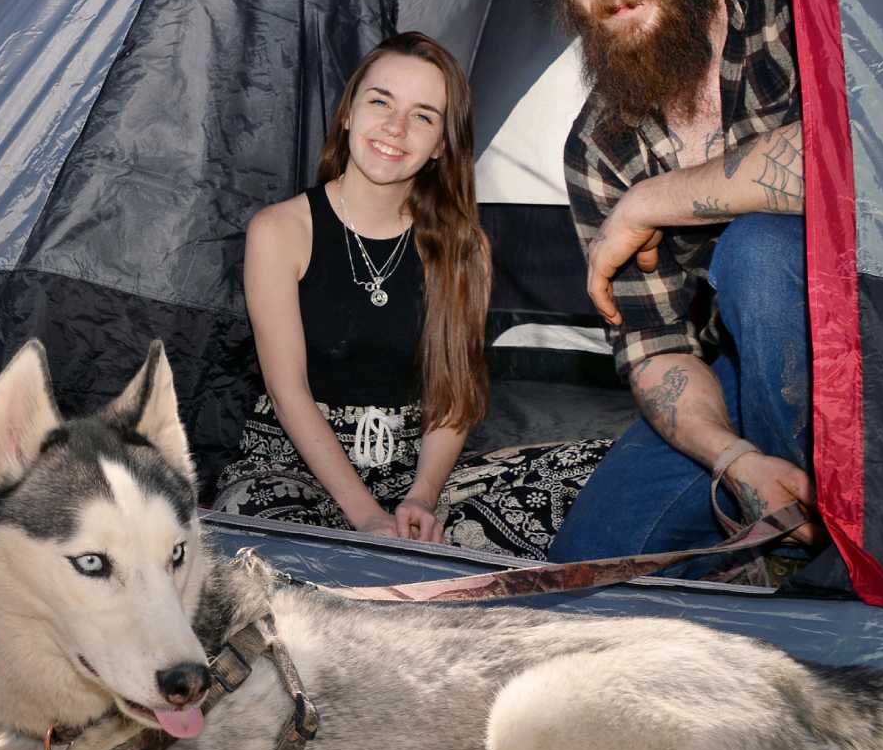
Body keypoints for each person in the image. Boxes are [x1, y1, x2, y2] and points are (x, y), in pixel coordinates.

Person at [538, 0, 819, 570]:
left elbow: (861, 164)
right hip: (748, 368)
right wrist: (733, 458)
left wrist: (650, 202)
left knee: (760, 253)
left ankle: (822, 563)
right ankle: (774, 492)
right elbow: (656, 348)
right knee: (585, 572)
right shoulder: (600, 146)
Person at [213, 33, 604, 555]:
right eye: (381, 102)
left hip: (413, 470)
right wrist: (367, 518)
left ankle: (417, 557)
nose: (395, 128)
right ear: (348, 113)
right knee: (257, 528)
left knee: (601, 468)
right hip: (296, 467)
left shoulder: (465, 248)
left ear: (442, 144)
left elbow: (451, 397)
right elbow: (289, 393)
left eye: (423, 116)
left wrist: (422, 497)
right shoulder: (280, 230)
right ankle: (415, 563)